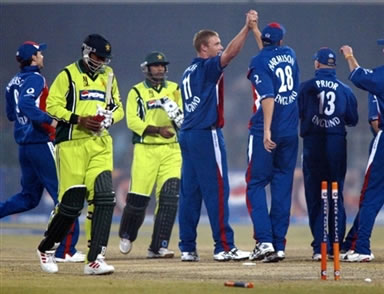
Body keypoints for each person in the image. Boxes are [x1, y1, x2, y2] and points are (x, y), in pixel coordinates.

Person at [36, 34, 124, 274]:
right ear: (86, 52)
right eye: (98, 56)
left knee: (105, 199)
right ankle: (46, 247)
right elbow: (51, 106)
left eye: (105, 58)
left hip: (100, 144)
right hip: (72, 144)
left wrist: (109, 118)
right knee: (71, 205)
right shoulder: (67, 75)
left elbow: (118, 107)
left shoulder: (109, 76)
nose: (101, 61)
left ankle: (95, 260)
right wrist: (79, 120)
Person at [178, 10, 258, 262]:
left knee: (190, 193)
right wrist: (246, 29)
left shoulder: (188, 71)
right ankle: (224, 246)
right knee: (218, 190)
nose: (221, 47)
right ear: (204, 49)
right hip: (205, 134)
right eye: (216, 43)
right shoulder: (205, 68)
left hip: (188, 134)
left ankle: (187, 247)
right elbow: (231, 54)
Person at [2, 41, 84, 263]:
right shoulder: (36, 78)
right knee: (65, 195)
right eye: (39, 53)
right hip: (40, 142)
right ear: (33, 58)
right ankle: (65, 250)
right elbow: (27, 105)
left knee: (28, 198)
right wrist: (50, 120)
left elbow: (11, 114)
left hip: (24, 146)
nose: (42, 56)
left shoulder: (12, 83)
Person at [118, 51, 182, 258]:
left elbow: (183, 114)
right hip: (146, 149)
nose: (160, 69)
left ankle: (158, 246)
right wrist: (157, 130)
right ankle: (127, 234)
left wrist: (178, 118)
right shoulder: (137, 92)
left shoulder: (174, 89)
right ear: (147, 69)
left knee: (169, 197)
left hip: (172, 149)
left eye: (163, 66)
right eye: (156, 66)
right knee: (138, 198)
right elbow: (132, 121)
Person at [246, 21, 300, 262]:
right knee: (282, 188)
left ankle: (264, 241)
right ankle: (278, 245)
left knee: (256, 184)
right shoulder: (289, 54)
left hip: (265, 131)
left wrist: (267, 130)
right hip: (290, 132)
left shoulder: (258, 61)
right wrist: (256, 29)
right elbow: (269, 53)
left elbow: (267, 97)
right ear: (280, 41)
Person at [297, 47, 358, 261]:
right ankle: (335, 245)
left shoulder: (305, 88)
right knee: (335, 196)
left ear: (317, 64)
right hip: (336, 145)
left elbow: (298, 112)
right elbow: (352, 119)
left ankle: (319, 246)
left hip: (313, 145)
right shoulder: (345, 89)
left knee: (315, 197)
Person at [339, 38, 384, 262]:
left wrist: (349, 55)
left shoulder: (381, 76)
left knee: (372, 195)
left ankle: (362, 248)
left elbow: (358, 75)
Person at [341, 93, 379, 260]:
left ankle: (361, 246)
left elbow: (376, 122)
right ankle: (351, 242)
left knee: (370, 197)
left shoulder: (377, 82)